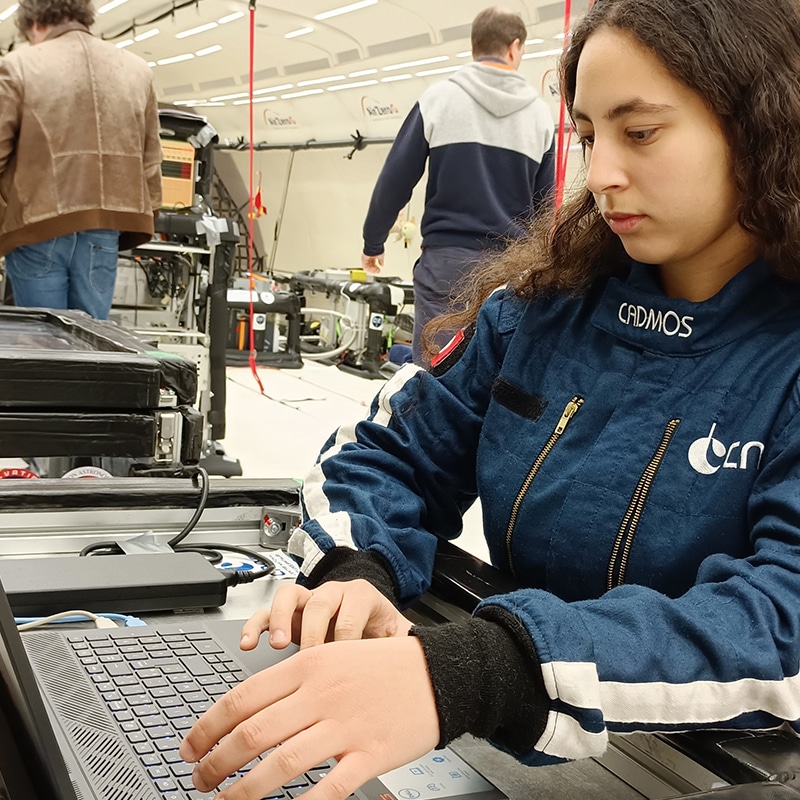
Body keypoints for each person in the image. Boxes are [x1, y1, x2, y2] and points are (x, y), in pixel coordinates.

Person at [180, 0, 800, 797]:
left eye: (639, 132)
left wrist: (487, 670)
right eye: (587, 136)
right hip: (513, 743)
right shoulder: (536, 313)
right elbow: (387, 454)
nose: (602, 175)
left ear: (761, 126)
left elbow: (778, 619)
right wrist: (357, 569)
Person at [360, 6, 555, 364]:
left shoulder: (438, 99)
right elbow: (546, 210)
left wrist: (374, 241)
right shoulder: (540, 116)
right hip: (510, 270)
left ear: (473, 48)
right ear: (514, 48)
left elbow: (395, 180)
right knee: (493, 373)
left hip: (446, 264)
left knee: (433, 375)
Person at [0, 0, 162, 320]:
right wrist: (147, 215)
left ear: (33, 22)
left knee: (44, 343)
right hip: (104, 229)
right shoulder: (136, 70)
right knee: (92, 342)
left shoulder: (18, 66)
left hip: (37, 226)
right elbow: (151, 160)